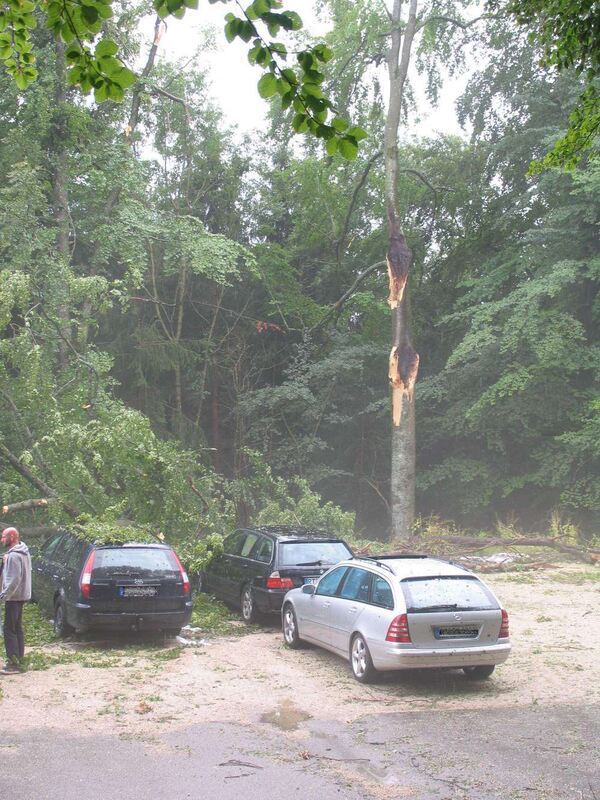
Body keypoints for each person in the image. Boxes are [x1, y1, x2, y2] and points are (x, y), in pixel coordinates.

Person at [0, 526, 32, 674]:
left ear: (12, 537)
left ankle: (13, 664)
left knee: (9, 629)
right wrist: (5, 559)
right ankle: (19, 659)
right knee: (17, 628)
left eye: (3, 536)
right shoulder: (23, 551)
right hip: (22, 596)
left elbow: (13, 580)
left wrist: (3, 596)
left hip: (13, 597)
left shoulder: (14, 556)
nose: (1, 539)